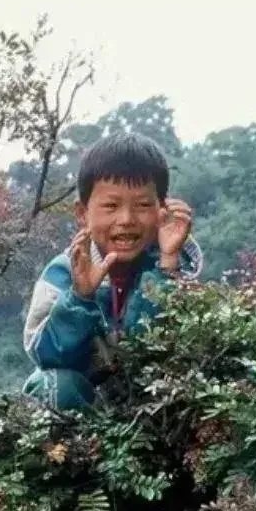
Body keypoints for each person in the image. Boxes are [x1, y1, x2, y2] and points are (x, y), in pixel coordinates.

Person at [23, 133, 201, 411]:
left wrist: (167, 265)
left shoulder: (173, 261)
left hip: (152, 402)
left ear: (162, 210)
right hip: (88, 405)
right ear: (83, 213)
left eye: (143, 205)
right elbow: (45, 356)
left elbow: (156, 349)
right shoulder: (64, 271)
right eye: (111, 206)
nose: (127, 220)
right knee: (51, 384)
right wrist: (80, 297)